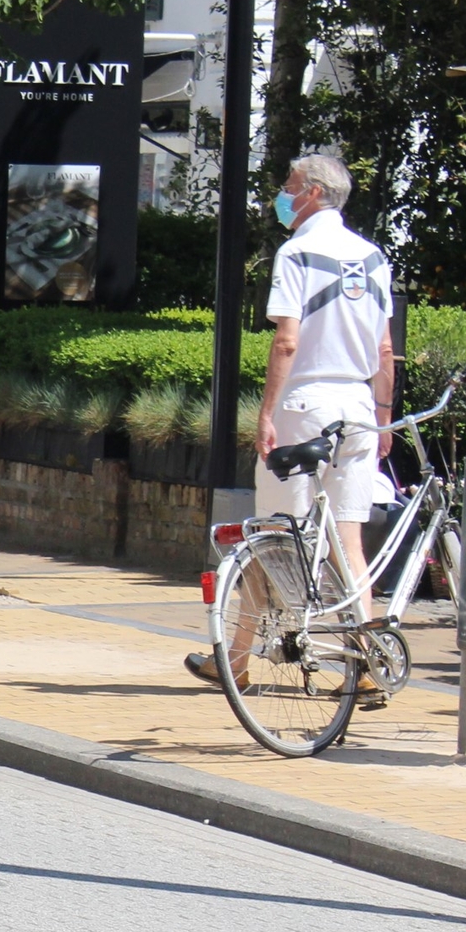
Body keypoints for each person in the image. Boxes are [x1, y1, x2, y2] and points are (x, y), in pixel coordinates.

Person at [187, 151, 396, 691]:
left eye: (290, 184)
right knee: (348, 537)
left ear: (314, 192)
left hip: (307, 404)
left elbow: (286, 340)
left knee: (272, 534)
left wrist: (264, 413)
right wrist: (384, 419)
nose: (283, 193)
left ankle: (233, 660)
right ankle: (366, 659)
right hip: (358, 409)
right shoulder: (373, 257)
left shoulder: (297, 252)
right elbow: (385, 348)